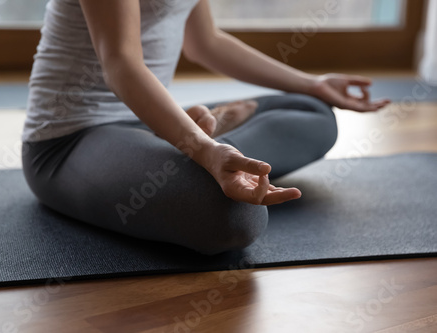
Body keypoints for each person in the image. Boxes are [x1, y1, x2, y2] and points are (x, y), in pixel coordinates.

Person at [21, 0, 390, 255]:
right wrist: (201, 146)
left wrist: (313, 83)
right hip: (69, 141)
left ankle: (192, 143)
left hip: (144, 120)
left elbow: (205, 43)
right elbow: (122, 64)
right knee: (235, 216)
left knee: (313, 113)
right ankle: (201, 144)